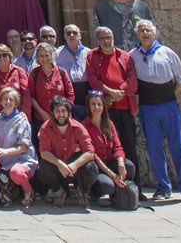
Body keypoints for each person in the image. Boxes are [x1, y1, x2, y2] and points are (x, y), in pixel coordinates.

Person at [133, 19, 181, 203]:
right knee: (154, 147)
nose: (145, 33)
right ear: (137, 34)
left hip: (168, 105)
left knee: (178, 145)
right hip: (147, 106)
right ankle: (163, 186)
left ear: (154, 33)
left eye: (148, 30)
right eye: (141, 30)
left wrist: (166, 94)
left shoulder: (167, 53)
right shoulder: (133, 55)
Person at [86, 25, 139, 177]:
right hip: (105, 110)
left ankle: (135, 187)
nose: (106, 41)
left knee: (129, 146)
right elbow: (93, 79)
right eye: (102, 38)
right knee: (108, 146)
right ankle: (113, 182)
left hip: (124, 108)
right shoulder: (92, 56)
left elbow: (132, 80)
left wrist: (119, 93)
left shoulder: (124, 56)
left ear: (113, 38)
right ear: (97, 40)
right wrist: (108, 93)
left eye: (108, 37)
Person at [34, 95, 97, 207]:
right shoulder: (45, 128)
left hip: (75, 167)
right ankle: (58, 192)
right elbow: (44, 152)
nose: (61, 114)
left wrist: (75, 165)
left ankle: (82, 191)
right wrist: (59, 164)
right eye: (57, 111)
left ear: (68, 112)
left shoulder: (79, 128)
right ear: (52, 113)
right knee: (42, 168)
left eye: (63, 111)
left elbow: (90, 152)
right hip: (57, 166)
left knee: (91, 167)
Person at [84, 89, 138, 209]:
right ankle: (94, 194)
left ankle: (120, 194)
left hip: (110, 161)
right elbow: (92, 154)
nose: (96, 107)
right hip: (98, 167)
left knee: (129, 166)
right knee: (107, 185)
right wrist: (111, 174)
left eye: (99, 104)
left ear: (103, 106)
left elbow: (118, 146)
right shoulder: (84, 126)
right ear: (88, 106)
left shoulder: (109, 124)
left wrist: (120, 162)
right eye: (93, 104)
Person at [0, 86, 37, 208]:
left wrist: (5, 152)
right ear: (0, 102)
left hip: (21, 159)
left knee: (16, 173)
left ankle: (28, 192)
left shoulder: (21, 120)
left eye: (11, 100)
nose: (8, 102)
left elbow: (24, 148)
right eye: (5, 99)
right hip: (3, 161)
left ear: (16, 103)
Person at [28, 42, 74, 135]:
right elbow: (31, 96)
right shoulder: (34, 73)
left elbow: (70, 95)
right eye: (41, 56)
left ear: (52, 55)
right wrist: (42, 113)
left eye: (47, 55)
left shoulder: (62, 72)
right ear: (37, 58)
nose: (44, 58)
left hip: (63, 117)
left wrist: (63, 112)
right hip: (42, 118)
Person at [57, 24, 92, 118]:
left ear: (80, 36)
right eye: (68, 33)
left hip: (87, 93)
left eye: (74, 33)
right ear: (64, 36)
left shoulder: (89, 53)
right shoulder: (57, 54)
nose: (71, 35)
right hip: (68, 94)